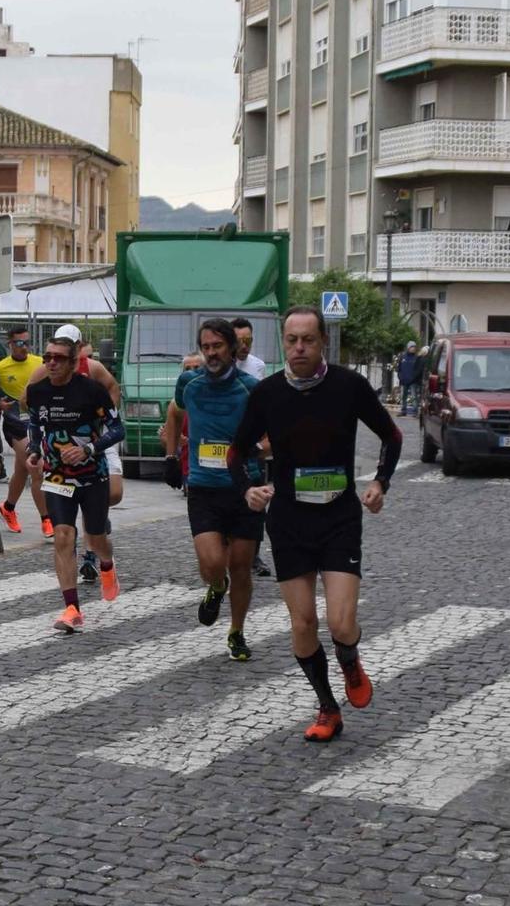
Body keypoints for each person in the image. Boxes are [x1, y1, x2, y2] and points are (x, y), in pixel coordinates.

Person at [231, 308, 401, 742]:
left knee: (341, 624)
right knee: (303, 623)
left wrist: (380, 483)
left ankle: (349, 659)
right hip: (289, 519)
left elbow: (392, 436)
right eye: (292, 340)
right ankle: (327, 706)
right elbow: (237, 452)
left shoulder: (349, 386)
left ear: (323, 340)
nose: (300, 348)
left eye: (308, 339)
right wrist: (250, 488)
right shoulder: (268, 393)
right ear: (283, 343)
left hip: (339, 516)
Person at [166, 317, 263, 661]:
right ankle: (216, 587)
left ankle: (236, 631)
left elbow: (269, 435)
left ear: (232, 348)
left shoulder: (251, 387)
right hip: (204, 487)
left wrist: (257, 450)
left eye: (217, 346)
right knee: (211, 564)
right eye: (205, 347)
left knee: (240, 565)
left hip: (245, 488)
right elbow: (175, 412)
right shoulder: (188, 383)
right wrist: (172, 453)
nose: (210, 353)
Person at [25, 334, 124, 631]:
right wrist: (33, 450)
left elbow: (117, 429)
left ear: (73, 362)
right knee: (64, 536)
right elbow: (35, 425)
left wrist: (89, 449)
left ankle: (107, 564)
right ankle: (71, 608)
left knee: (95, 539)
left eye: (58, 358)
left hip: (93, 474)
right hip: (57, 476)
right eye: (47, 357)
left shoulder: (92, 391)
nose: (51, 362)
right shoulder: (37, 392)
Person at [0, 327, 52, 539]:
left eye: (26, 342)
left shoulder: (39, 362)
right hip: (15, 425)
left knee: (22, 470)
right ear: (10, 344)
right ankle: (47, 519)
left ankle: (7, 508)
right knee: (36, 467)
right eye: (19, 343)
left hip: (36, 423)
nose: (24, 347)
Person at [396, 341, 423, 416]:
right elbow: (399, 368)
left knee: (414, 396)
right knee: (403, 397)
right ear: (408, 348)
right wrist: (400, 377)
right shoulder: (403, 357)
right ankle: (403, 410)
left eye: (414, 347)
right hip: (403, 381)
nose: (413, 348)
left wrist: (413, 378)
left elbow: (419, 370)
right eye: (412, 347)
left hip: (413, 381)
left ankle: (415, 411)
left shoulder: (417, 358)